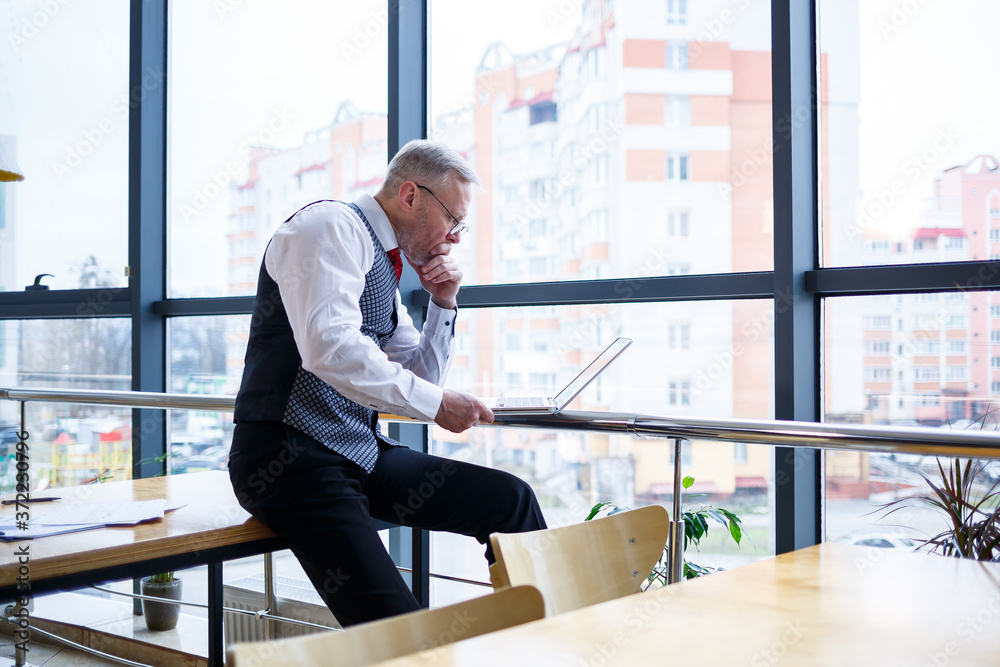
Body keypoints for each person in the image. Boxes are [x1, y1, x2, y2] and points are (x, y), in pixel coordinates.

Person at [228, 139, 547, 626]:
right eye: (454, 220)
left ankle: (553, 640)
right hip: (287, 460)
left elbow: (417, 377)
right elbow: (329, 348)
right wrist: (437, 403)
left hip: (357, 452)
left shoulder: (383, 263)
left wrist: (443, 302)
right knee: (399, 629)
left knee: (511, 500)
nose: (456, 237)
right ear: (411, 196)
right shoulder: (328, 227)